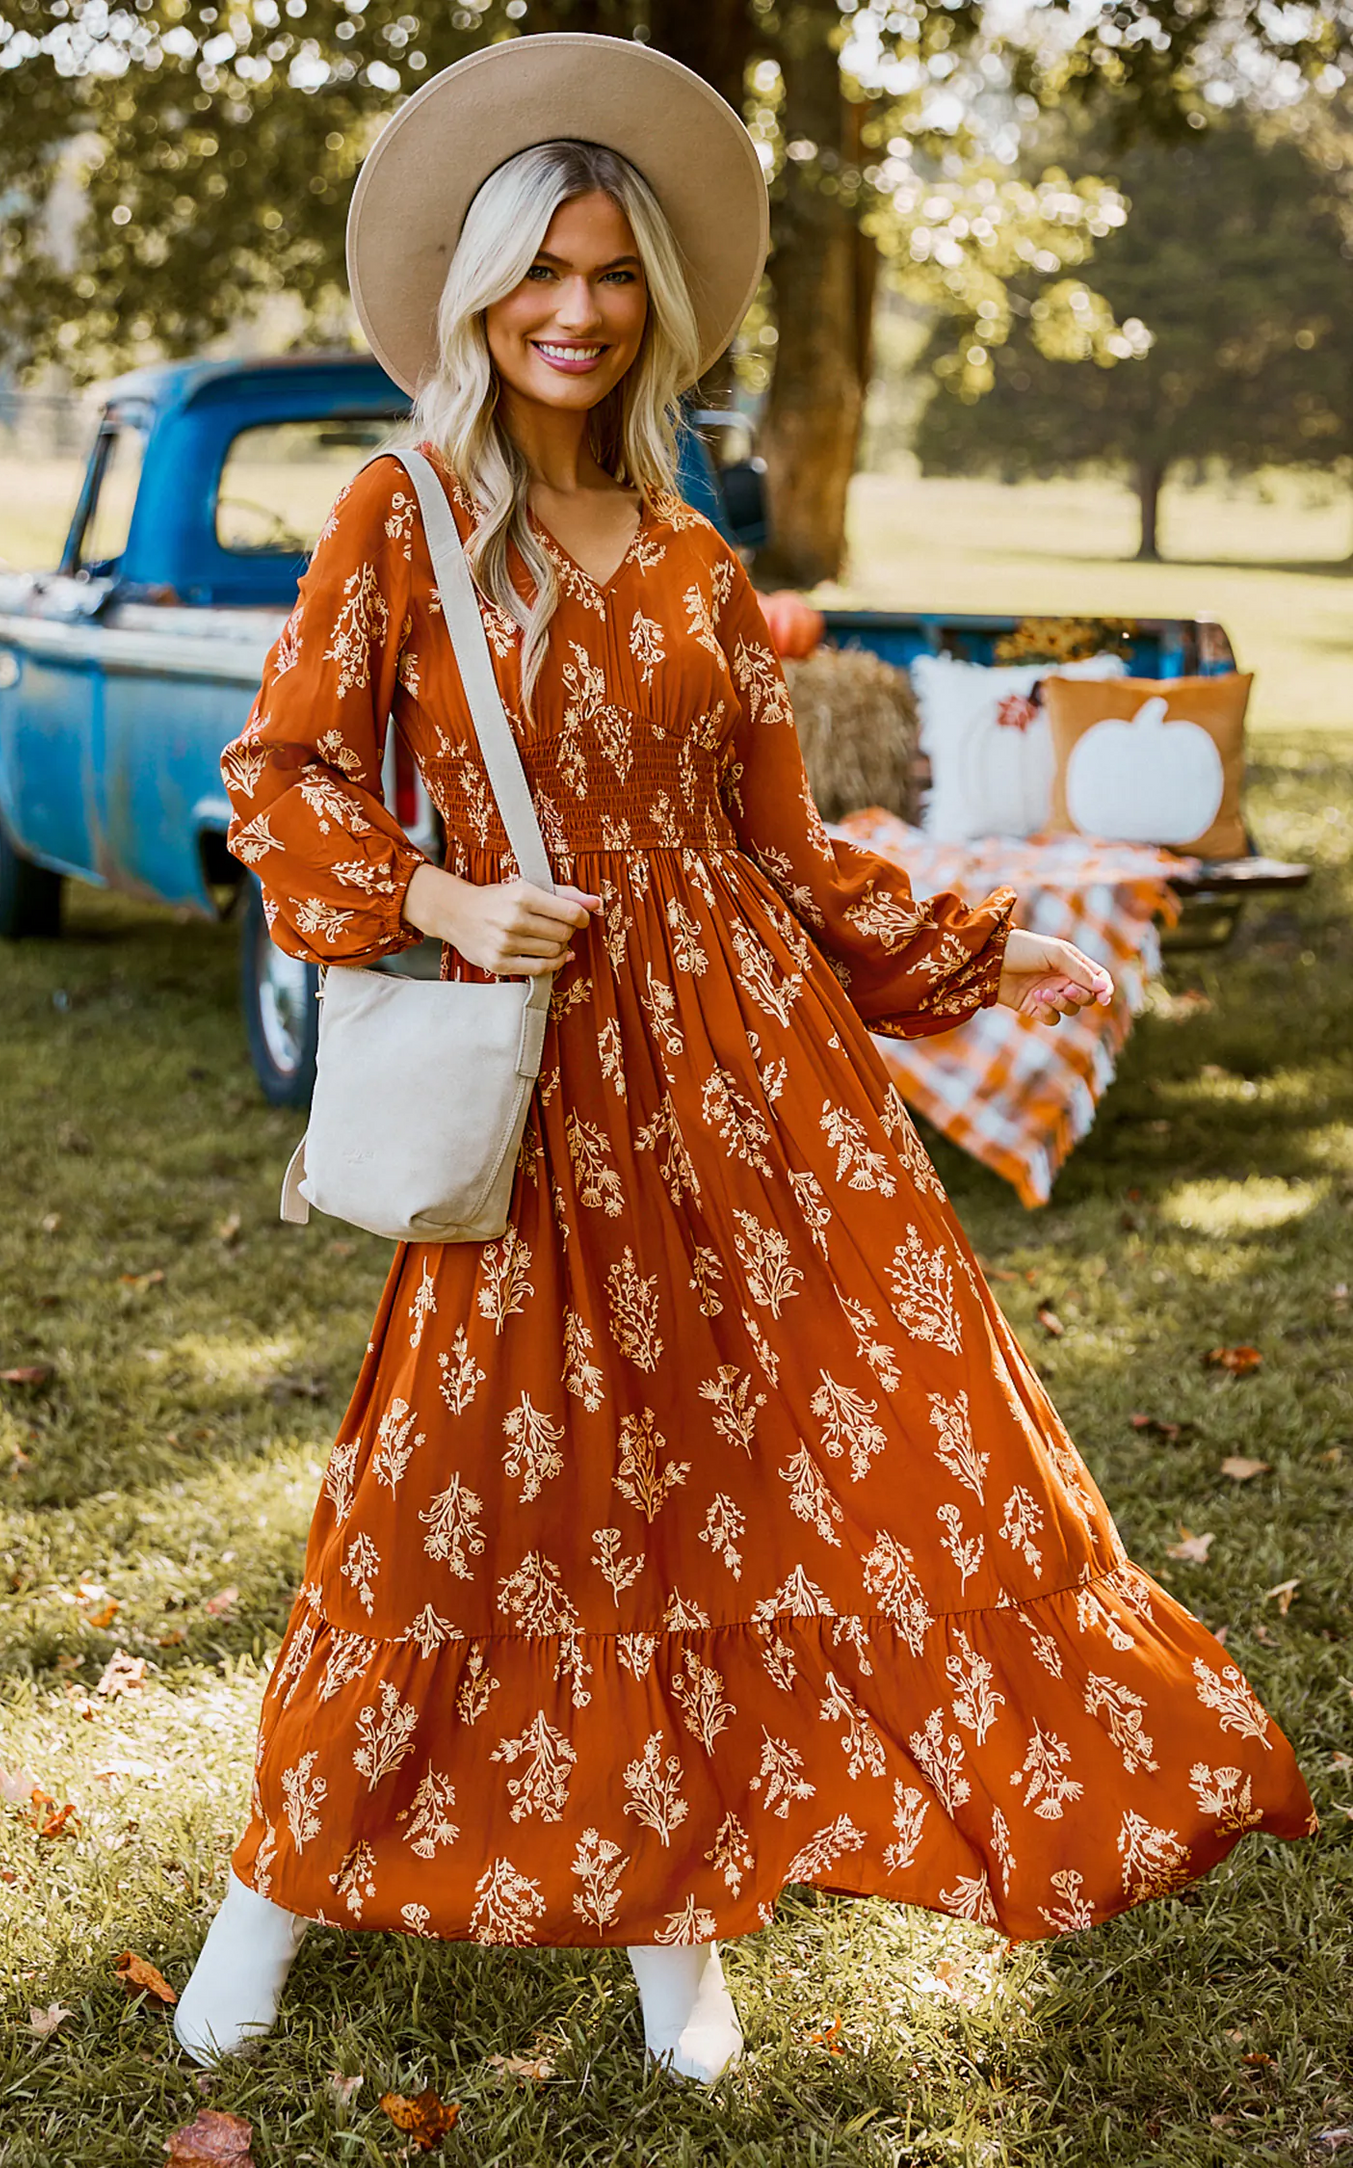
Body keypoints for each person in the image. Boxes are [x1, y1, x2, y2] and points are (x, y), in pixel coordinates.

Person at [175, 32, 1316, 2088]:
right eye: (539, 270)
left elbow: (781, 860)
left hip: (750, 1094)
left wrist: (987, 949)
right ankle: (269, 1893)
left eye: (611, 275)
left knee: (737, 1488)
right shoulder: (407, 507)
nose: (574, 308)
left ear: (653, 307)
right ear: (475, 290)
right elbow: (279, 778)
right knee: (445, 1495)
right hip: (533, 1075)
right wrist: (437, 903)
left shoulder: (704, 564)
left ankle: (680, 1934)